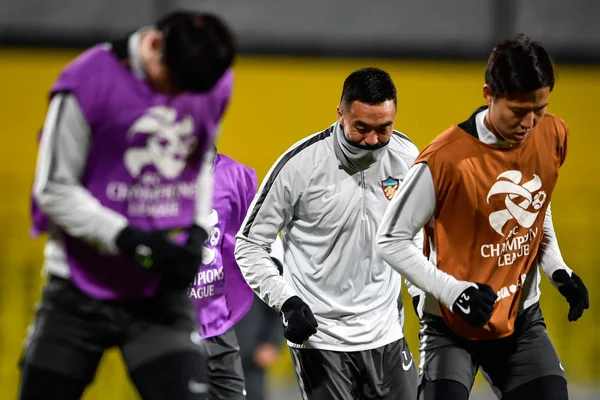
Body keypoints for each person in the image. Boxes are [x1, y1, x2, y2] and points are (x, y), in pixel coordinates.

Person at [20, 10, 236, 400]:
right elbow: (53, 190)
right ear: (155, 46)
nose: (179, 99)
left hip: (157, 293)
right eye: (175, 85)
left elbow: (200, 161)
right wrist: (129, 239)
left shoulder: (210, 84)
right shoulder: (87, 83)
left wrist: (197, 232)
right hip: (80, 288)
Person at [376, 34, 589, 400]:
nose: (530, 122)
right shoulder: (444, 160)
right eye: (519, 111)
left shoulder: (553, 134)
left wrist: (556, 267)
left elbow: (537, 201)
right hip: (450, 325)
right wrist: (453, 291)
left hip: (521, 320)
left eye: (540, 108)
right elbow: (390, 240)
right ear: (489, 93)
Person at [235, 67, 420, 400]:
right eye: (361, 127)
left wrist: (424, 294)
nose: (373, 140)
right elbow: (249, 245)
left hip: (386, 334)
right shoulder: (299, 166)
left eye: (384, 128)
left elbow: (417, 234)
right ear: (340, 115)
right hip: (321, 340)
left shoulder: (407, 158)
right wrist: (286, 301)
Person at [189, 148, 284, 399]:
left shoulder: (255, 245)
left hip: (246, 349)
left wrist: (272, 342)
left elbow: (277, 285)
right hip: (193, 336)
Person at [234, 238, 285, 400]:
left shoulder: (257, 260)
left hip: (251, 359)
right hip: (212, 355)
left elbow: (279, 308)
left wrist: (272, 343)